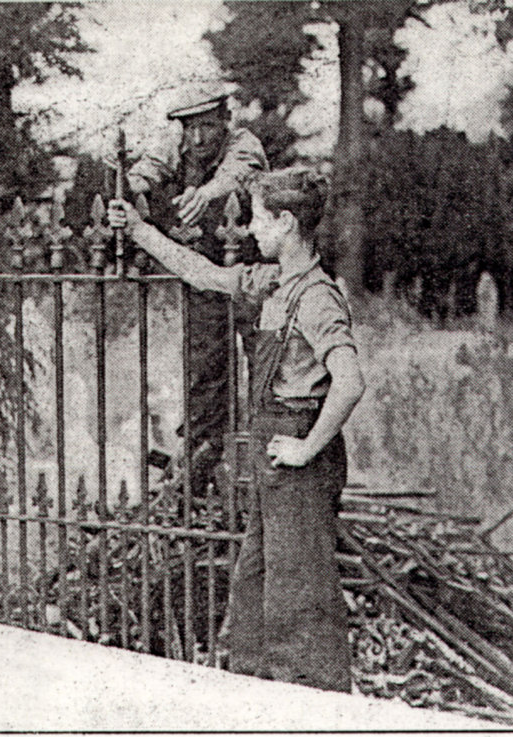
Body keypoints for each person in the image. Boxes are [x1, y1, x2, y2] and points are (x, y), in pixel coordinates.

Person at [109, 166, 364, 692]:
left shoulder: (317, 297)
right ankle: (256, 695)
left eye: (258, 219)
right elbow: (202, 273)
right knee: (256, 585)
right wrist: (138, 230)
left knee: (300, 594)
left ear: (288, 223)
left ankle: (314, 706)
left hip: (299, 461)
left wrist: (306, 447)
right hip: (274, 460)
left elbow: (351, 382)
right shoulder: (272, 282)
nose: (249, 229)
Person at [127, 85, 268, 494]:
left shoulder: (243, 143)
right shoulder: (179, 147)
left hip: (250, 272)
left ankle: (261, 455)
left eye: (207, 126)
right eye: (190, 129)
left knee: (263, 361)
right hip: (202, 275)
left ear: (224, 119)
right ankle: (206, 455)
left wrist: (206, 194)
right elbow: (149, 168)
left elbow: (237, 174)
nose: (198, 139)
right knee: (204, 363)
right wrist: (132, 183)